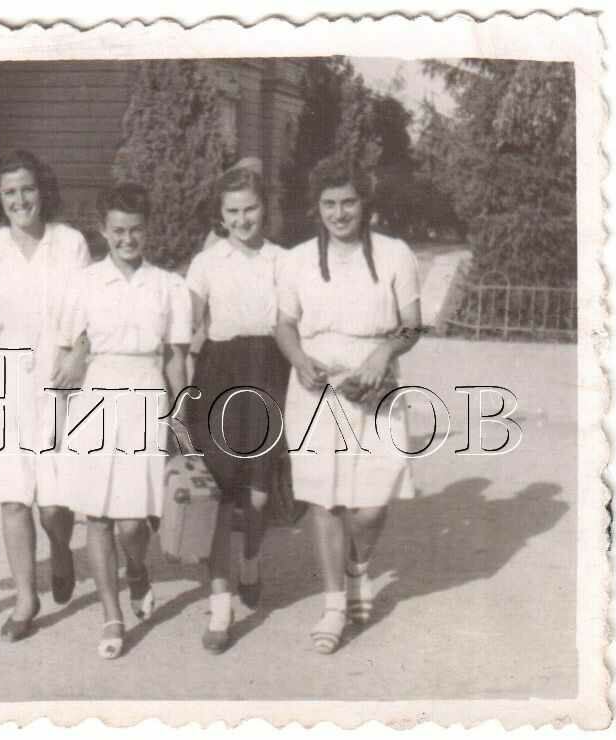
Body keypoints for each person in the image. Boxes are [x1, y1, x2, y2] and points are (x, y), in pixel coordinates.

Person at [275, 155, 422, 654]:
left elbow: (411, 324)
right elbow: (285, 323)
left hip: (375, 386)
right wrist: (298, 358)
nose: (339, 213)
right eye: (329, 203)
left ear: (365, 203)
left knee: (369, 506)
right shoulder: (295, 260)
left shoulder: (395, 254)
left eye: (349, 202)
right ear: (316, 207)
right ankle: (335, 604)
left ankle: (360, 567)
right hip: (316, 389)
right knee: (325, 499)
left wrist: (384, 353)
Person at [0, 150, 90, 642]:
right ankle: (25, 598)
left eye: (27, 189)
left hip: (61, 372)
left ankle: (61, 547)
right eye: (9, 192)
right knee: (13, 497)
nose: (19, 200)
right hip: (8, 376)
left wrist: (79, 355)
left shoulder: (69, 242)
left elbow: (90, 309)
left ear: (42, 190)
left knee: (54, 503)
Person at [56, 183, 190, 659]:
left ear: (148, 229)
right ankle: (111, 616)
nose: (127, 239)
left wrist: (181, 416)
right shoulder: (84, 283)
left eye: (135, 230)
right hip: (97, 394)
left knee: (133, 522)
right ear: (103, 231)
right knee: (96, 514)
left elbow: (176, 356)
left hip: (146, 393)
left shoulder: (169, 286)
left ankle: (137, 569)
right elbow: (69, 345)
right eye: (118, 231)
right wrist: (71, 364)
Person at [185, 166, 292, 653]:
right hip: (219, 371)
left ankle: (250, 559)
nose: (242, 219)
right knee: (221, 491)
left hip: (268, 368)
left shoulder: (283, 261)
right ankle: (222, 606)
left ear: (263, 207)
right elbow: (186, 325)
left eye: (250, 208)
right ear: (220, 215)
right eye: (232, 211)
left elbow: (297, 323)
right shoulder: (206, 263)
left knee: (259, 494)